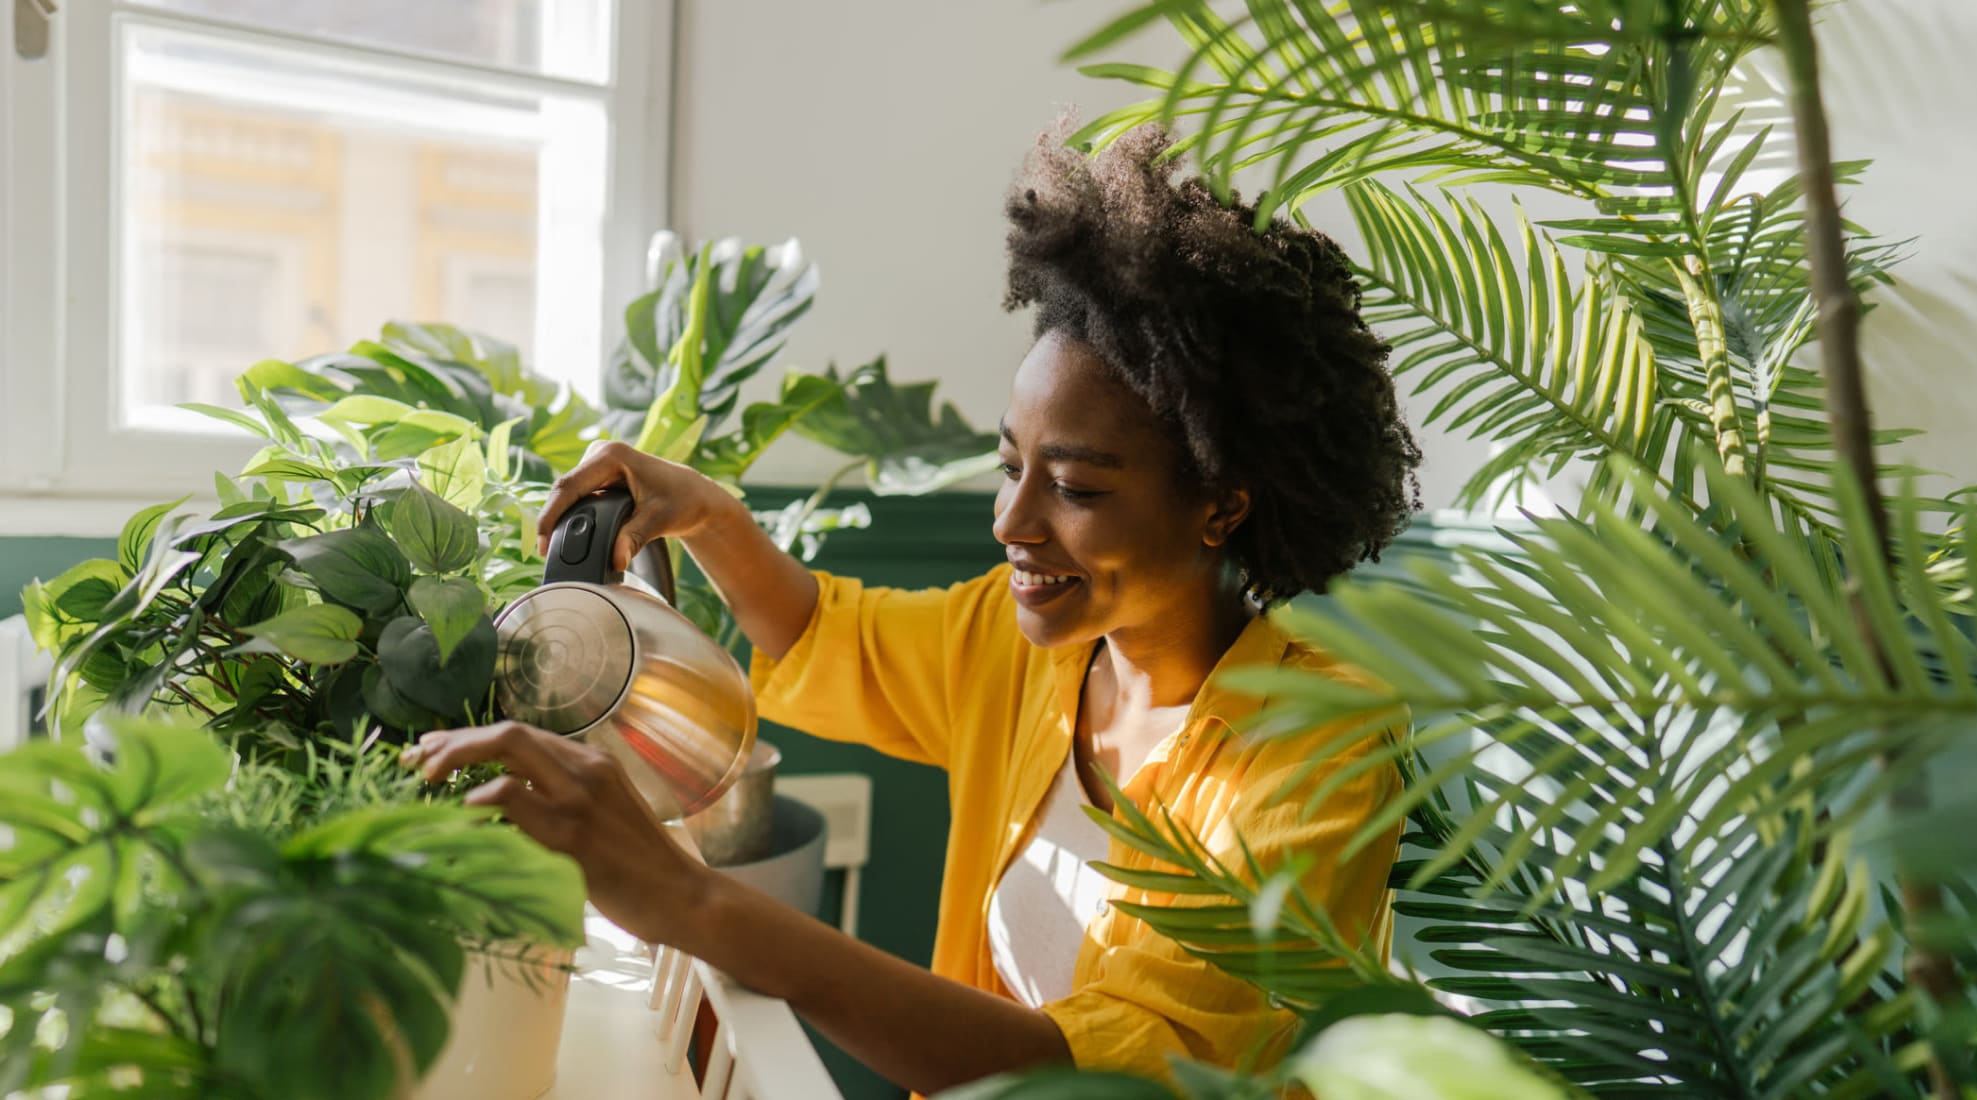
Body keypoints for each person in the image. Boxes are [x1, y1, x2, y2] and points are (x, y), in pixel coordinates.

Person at [402, 123, 1423, 1095]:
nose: (1010, 520)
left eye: (1073, 487)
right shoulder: (1035, 646)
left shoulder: (1317, 747)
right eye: (1009, 465)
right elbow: (824, 632)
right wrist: (708, 512)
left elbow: (1102, 1079)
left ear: (1220, 504)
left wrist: (694, 903)